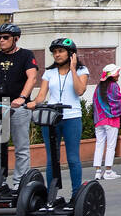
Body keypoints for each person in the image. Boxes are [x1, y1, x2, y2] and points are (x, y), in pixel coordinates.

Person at [0, 23, 39, 183]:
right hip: (0, 105)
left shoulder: (26, 55)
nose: (1, 40)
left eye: (5, 38)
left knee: (21, 148)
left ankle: (20, 182)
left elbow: (32, 78)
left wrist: (22, 97)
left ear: (16, 39)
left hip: (19, 107)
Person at [32, 37, 89, 196]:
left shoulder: (81, 71)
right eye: (55, 52)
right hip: (51, 118)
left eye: (60, 51)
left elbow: (79, 91)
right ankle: (52, 195)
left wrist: (72, 69)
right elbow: (41, 95)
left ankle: (76, 194)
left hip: (72, 117)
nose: (57, 55)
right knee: (52, 159)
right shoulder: (49, 73)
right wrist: (31, 103)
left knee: (72, 158)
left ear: (71, 54)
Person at [91, 63, 121, 182]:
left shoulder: (98, 87)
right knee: (111, 146)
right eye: (117, 73)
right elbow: (118, 101)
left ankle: (97, 171)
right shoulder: (114, 86)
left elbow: (95, 103)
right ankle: (108, 171)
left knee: (99, 144)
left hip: (99, 119)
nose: (119, 75)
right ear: (112, 75)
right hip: (112, 120)